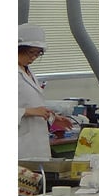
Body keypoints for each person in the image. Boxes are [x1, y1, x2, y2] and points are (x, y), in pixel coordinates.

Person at [18, 23, 61, 160]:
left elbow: (33, 104)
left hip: (36, 146)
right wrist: (29, 111)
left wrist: (52, 118)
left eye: (38, 53)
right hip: (21, 148)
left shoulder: (27, 71)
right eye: (31, 52)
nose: (34, 57)